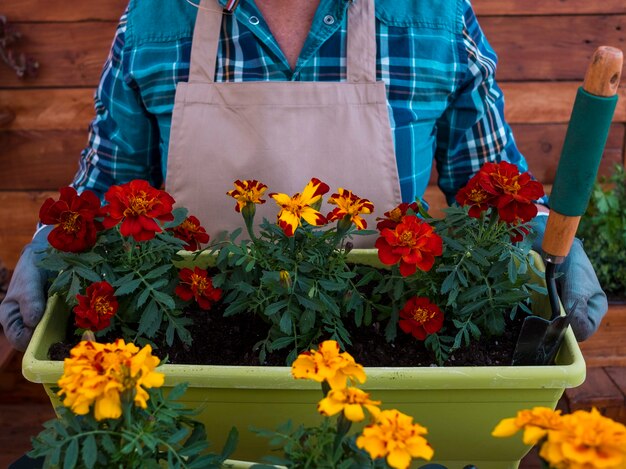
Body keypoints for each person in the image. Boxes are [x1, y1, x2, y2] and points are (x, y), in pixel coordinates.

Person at [0, 0, 607, 351]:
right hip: (191, 348)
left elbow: (492, 188)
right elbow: (107, 191)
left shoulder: (436, 17)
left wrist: (551, 240)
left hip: (385, 349)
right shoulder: (155, 20)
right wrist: (49, 248)